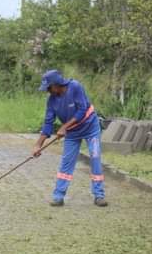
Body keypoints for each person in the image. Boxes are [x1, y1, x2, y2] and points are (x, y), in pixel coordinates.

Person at [34, 70, 107, 207]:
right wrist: (38, 144)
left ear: (56, 85)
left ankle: (99, 195)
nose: (47, 91)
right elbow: (48, 123)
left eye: (49, 88)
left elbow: (82, 110)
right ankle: (58, 196)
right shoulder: (52, 101)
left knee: (95, 157)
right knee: (66, 162)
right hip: (72, 133)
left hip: (90, 128)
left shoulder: (75, 87)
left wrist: (64, 127)